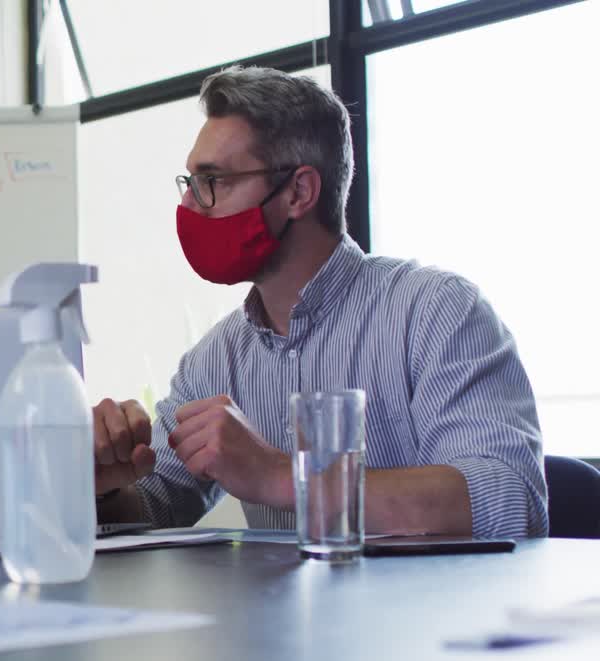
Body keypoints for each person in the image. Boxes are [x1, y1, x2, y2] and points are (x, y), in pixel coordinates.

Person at [92, 65, 545, 539]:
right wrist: (105, 486)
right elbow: (156, 503)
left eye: (214, 181)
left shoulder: (436, 313)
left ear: (299, 192)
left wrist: (281, 476)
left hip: (431, 592)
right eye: (190, 182)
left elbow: (509, 499)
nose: (190, 206)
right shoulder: (214, 360)